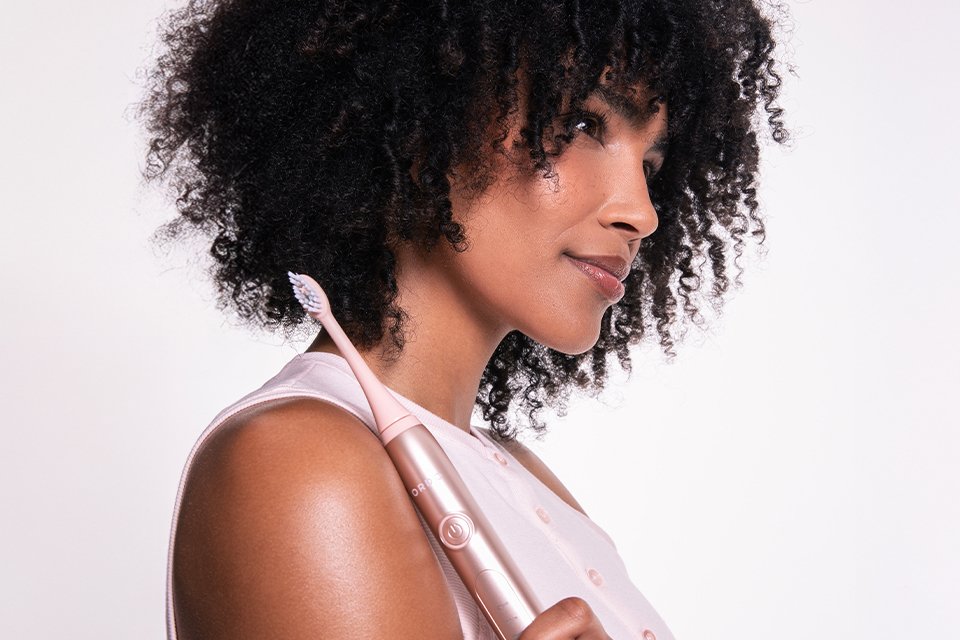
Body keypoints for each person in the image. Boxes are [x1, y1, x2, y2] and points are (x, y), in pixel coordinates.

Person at [139, 0, 790, 637]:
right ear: (421, 116)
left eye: (650, 164)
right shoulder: (300, 464)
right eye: (586, 126)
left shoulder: (522, 477)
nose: (641, 213)